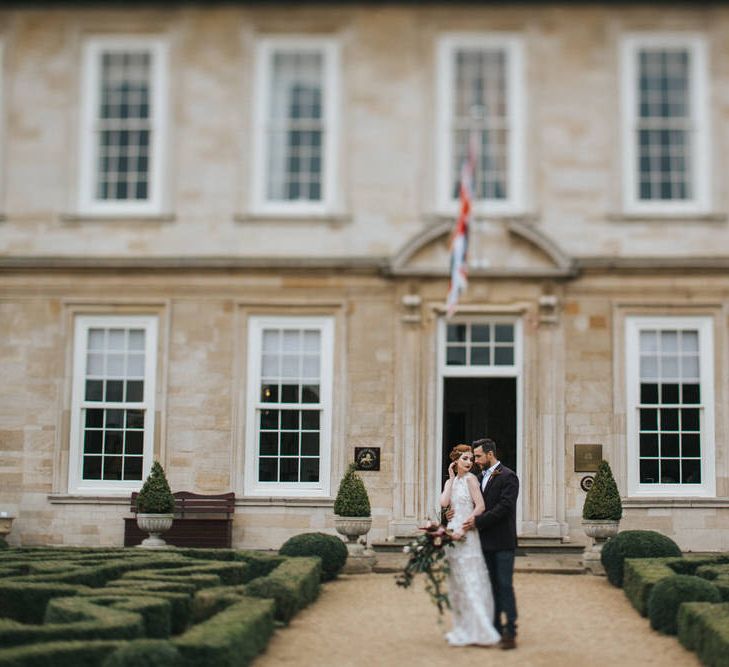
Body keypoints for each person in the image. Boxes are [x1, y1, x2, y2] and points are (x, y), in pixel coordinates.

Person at [439, 444, 501, 647]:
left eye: (470, 459)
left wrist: (464, 528)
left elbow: (481, 506)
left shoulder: (471, 480)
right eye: (465, 458)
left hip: (466, 534)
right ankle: (463, 628)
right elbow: (443, 503)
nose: (469, 462)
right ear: (456, 461)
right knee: (457, 584)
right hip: (452, 534)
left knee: (470, 580)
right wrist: (449, 478)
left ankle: (480, 629)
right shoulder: (454, 481)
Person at [462, 438, 519, 650]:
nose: (475, 460)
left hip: (503, 542)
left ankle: (510, 631)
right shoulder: (477, 478)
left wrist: (478, 521)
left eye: (478, 456)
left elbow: (505, 507)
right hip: (483, 542)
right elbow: (473, 504)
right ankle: (493, 629)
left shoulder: (509, 476)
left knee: (504, 586)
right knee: (489, 587)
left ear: (490, 454)